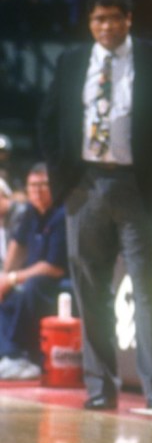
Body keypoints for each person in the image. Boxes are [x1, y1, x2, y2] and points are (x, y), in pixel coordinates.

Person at [38, 0, 152, 411]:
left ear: (128, 19)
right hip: (84, 186)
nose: (107, 25)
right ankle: (100, 388)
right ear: (90, 23)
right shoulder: (72, 61)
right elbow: (48, 120)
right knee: (90, 290)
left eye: (115, 17)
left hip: (139, 187)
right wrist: (63, 178)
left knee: (147, 289)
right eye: (99, 18)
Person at [0, 163, 67, 380]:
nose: (37, 191)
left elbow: (54, 268)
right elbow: (18, 246)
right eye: (32, 185)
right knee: (8, 291)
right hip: (33, 277)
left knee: (29, 288)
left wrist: (11, 278)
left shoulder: (62, 214)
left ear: (54, 186)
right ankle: (7, 355)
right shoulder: (31, 211)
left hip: (59, 281)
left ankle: (21, 356)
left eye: (43, 185)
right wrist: (4, 277)